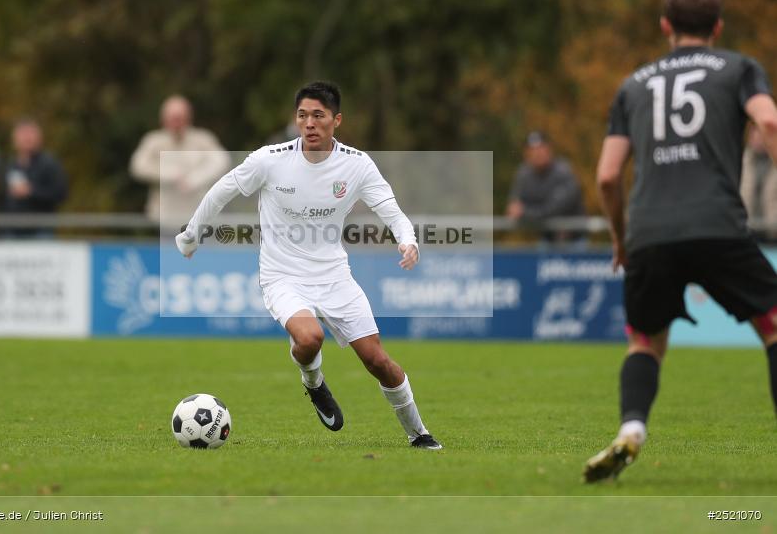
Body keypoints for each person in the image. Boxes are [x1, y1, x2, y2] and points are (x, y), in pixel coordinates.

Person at [174, 82, 442, 450]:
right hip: (282, 276)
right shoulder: (271, 159)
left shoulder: (357, 164)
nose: (309, 123)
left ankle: (419, 434)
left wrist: (407, 239)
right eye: (302, 115)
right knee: (309, 337)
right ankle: (313, 383)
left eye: (318, 115)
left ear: (336, 120)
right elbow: (224, 189)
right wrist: (192, 233)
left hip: (334, 277)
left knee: (377, 360)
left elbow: (390, 208)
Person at [585, 0, 777, 482]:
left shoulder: (633, 84)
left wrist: (623, 240)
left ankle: (631, 430)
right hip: (717, 225)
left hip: (649, 233)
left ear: (665, 26)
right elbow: (770, 123)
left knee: (645, 341)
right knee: (772, 324)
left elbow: (607, 174)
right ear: (717, 26)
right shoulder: (739, 68)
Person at [130, 95, 230, 222]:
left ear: (189, 117)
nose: (176, 122)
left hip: (198, 217)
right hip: (162, 218)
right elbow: (137, 166)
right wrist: (169, 175)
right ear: (163, 118)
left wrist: (194, 180)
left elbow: (222, 161)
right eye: (172, 118)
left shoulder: (203, 139)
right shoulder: (153, 141)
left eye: (180, 117)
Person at [506, 131, 585, 243]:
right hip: (546, 239)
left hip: (574, 240)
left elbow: (554, 211)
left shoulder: (563, 171)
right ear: (526, 153)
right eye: (532, 150)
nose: (537, 153)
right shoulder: (524, 174)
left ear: (549, 149)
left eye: (541, 148)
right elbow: (513, 207)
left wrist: (525, 213)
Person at [1, 118, 68, 236]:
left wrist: (31, 192)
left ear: (39, 138)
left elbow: (61, 193)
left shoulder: (49, 163)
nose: (27, 138)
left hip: (40, 231)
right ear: (14, 138)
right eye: (22, 134)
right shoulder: (10, 165)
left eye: (30, 133)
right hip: (12, 231)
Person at [740, 124, 777, 240]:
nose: (758, 138)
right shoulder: (740, 161)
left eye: (762, 134)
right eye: (755, 133)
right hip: (746, 233)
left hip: (774, 234)